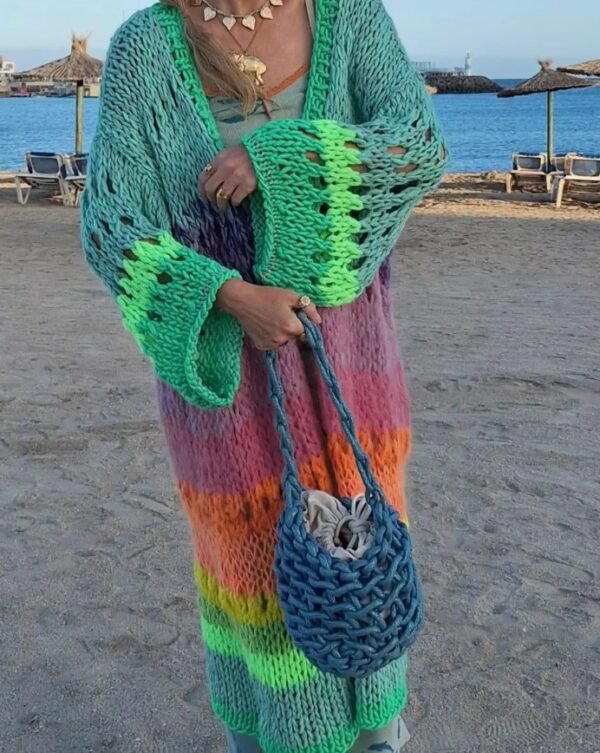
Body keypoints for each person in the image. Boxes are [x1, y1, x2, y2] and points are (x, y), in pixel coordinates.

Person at [81, 0, 447, 751]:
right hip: (227, 385)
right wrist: (230, 297)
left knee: (364, 557)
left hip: (353, 367)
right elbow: (110, 224)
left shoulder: (349, 17)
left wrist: (278, 157)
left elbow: (417, 145)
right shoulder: (147, 44)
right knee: (254, 575)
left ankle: (379, 736)